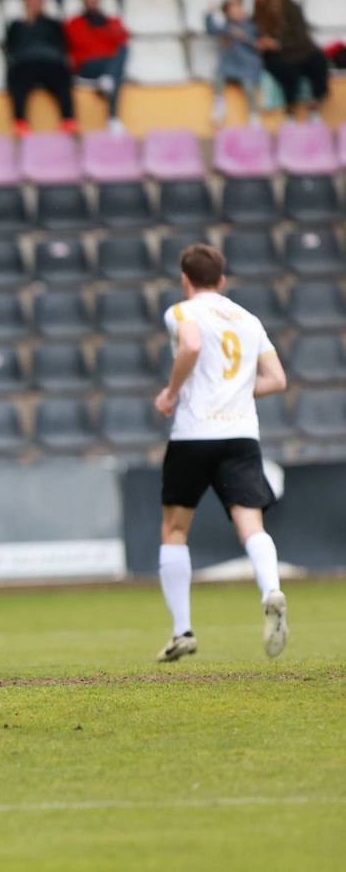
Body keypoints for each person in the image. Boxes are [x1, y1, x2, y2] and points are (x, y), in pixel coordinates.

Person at [152, 244, 288, 663]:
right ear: (223, 280)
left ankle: (182, 631)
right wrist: (233, 393)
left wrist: (172, 392)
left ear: (185, 279)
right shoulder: (248, 319)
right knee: (251, 524)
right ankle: (271, 589)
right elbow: (277, 379)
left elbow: (190, 346)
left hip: (194, 434)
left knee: (175, 530)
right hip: (241, 434)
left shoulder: (182, 311)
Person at [251, 0, 329, 119]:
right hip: (275, 56)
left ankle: (315, 104)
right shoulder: (257, 9)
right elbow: (255, 34)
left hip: (296, 49)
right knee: (287, 72)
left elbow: (300, 35)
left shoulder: (290, 6)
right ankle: (290, 111)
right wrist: (262, 43)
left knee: (318, 60)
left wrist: (278, 43)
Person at [5, 0, 76, 136]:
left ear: (42, 2)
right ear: (24, 2)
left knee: (62, 78)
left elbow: (62, 45)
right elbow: (10, 47)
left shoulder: (53, 24)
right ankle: (20, 122)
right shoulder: (16, 25)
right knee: (17, 80)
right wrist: (27, 23)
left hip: (50, 63)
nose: (33, 3)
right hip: (25, 63)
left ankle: (69, 120)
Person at [64, 0, 129, 133]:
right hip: (87, 66)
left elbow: (122, 39)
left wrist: (105, 30)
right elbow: (82, 47)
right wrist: (105, 37)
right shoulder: (74, 23)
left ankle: (107, 80)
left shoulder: (111, 21)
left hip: (108, 63)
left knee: (123, 53)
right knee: (115, 72)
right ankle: (113, 118)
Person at [207, 0, 263, 125]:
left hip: (248, 62)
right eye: (233, 10)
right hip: (230, 62)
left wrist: (244, 37)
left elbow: (257, 43)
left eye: (238, 8)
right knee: (218, 77)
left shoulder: (251, 24)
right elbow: (212, 29)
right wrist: (209, 14)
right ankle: (219, 104)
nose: (237, 11)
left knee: (248, 87)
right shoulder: (227, 27)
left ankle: (254, 115)